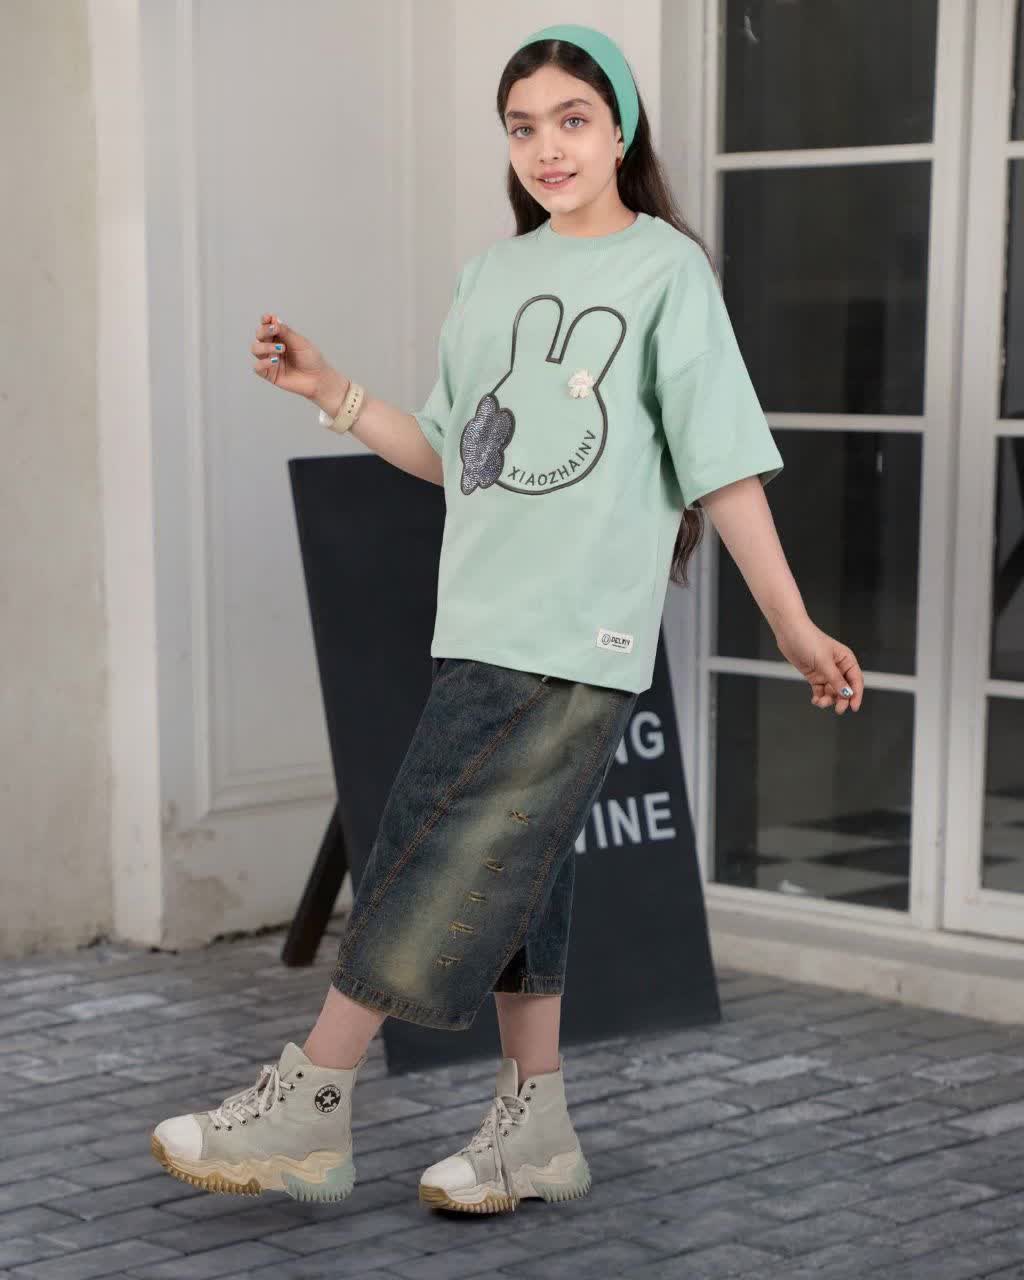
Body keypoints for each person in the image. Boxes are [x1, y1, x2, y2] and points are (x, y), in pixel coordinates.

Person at [151, 23, 864, 1214]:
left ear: (620, 129)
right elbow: (456, 455)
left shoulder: (663, 273)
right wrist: (334, 391)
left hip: (576, 632)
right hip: (479, 618)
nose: (547, 146)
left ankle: (309, 1103)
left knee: (429, 846)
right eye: (523, 126)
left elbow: (721, 464)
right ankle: (535, 1130)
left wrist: (789, 621)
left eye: (572, 119)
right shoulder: (491, 277)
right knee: (525, 872)